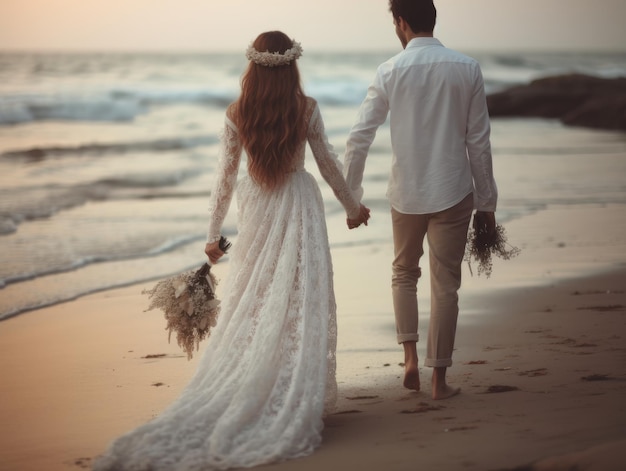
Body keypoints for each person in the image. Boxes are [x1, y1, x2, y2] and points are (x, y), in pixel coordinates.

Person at [93, 31, 370, 471]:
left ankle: (261, 382)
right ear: (291, 64)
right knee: (298, 293)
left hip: (257, 202)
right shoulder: (307, 107)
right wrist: (353, 207)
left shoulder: (237, 111)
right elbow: (327, 163)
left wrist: (212, 234)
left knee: (256, 295)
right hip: (298, 201)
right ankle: (292, 386)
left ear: (254, 66)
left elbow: (223, 176)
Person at [343, 0, 498, 400]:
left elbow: (360, 135)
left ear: (401, 22)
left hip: (406, 192)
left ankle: (409, 357)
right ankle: (439, 381)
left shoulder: (390, 71)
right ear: (432, 20)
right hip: (454, 189)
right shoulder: (467, 68)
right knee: (445, 285)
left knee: (403, 273)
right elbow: (478, 141)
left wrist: (352, 197)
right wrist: (487, 203)